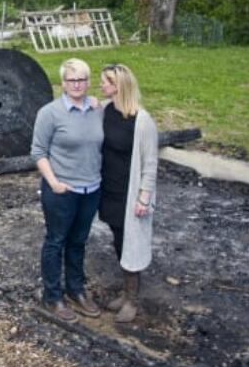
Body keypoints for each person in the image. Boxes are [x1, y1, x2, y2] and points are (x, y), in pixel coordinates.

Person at [31, 57, 104, 322]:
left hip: (91, 189)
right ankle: (53, 296)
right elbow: (38, 151)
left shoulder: (97, 109)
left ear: (88, 81)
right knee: (56, 240)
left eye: (82, 79)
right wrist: (53, 182)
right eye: (71, 79)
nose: (77, 84)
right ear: (62, 83)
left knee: (78, 241)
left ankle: (76, 290)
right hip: (61, 189)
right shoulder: (49, 113)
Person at [97, 63, 159, 323]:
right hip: (109, 188)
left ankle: (132, 299)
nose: (101, 86)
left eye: (105, 82)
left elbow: (150, 163)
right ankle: (125, 292)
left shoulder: (142, 121)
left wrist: (144, 197)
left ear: (118, 86)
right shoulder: (105, 110)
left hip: (129, 192)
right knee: (118, 238)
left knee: (130, 242)